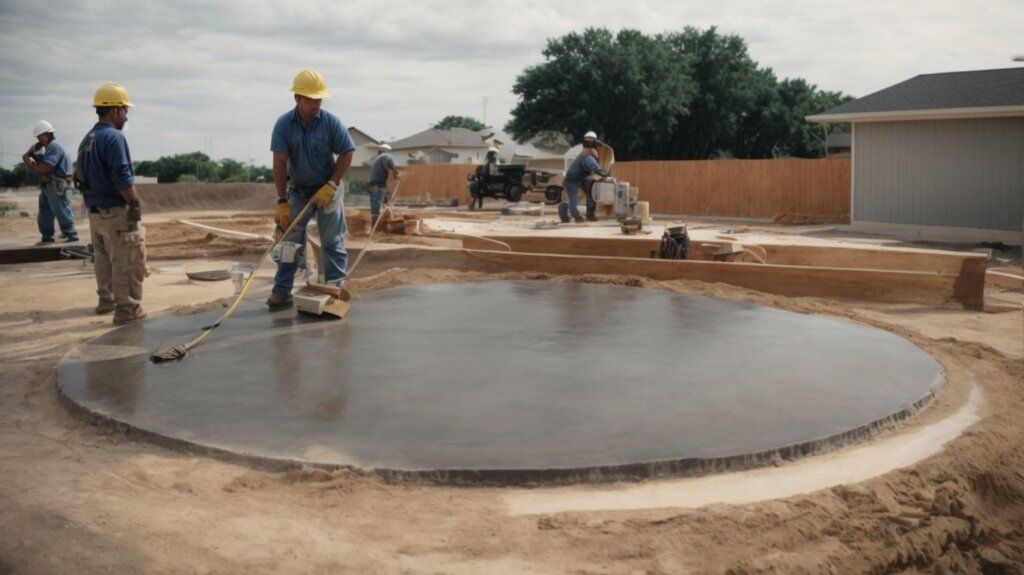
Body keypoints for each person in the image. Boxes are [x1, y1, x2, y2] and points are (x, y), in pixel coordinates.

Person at [268, 68, 355, 310]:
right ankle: (282, 291)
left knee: (331, 240)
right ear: (297, 98)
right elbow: (280, 162)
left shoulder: (331, 122)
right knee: (290, 243)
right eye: (312, 99)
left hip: (328, 189)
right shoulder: (284, 125)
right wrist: (281, 200)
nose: (317, 104)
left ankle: (336, 289)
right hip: (298, 192)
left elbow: (347, 152)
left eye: (319, 99)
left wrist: (332, 183)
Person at [75, 83, 146, 324]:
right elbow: (122, 175)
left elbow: (80, 177)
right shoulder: (114, 138)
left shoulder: (87, 139)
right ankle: (126, 309)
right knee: (124, 258)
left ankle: (106, 301)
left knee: (103, 259)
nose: (126, 116)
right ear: (114, 110)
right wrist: (134, 203)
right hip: (116, 211)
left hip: (95, 213)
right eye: (125, 110)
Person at [23, 120, 79, 244]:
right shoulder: (48, 148)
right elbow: (41, 166)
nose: (38, 139)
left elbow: (44, 168)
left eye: (39, 136)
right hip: (50, 186)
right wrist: (29, 155)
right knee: (45, 213)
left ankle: (72, 236)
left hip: (58, 186)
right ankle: (47, 237)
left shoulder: (54, 146)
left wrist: (31, 162)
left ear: (47, 134)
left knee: (62, 210)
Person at [560, 131, 607, 223]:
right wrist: (601, 172)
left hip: (581, 177)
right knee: (574, 198)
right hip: (573, 179)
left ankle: (588, 214)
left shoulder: (588, 153)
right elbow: (593, 166)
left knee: (590, 194)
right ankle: (576, 216)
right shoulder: (586, 155)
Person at [368, 143, 400, 228]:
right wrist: (397, 174)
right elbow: (392, 165)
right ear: (387, 151)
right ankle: (376, 229)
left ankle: (377, 226)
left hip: (372, 185)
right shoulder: (386, 156)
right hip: (378, 185)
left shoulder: (376, 159)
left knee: (378, 205)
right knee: (381, 205)